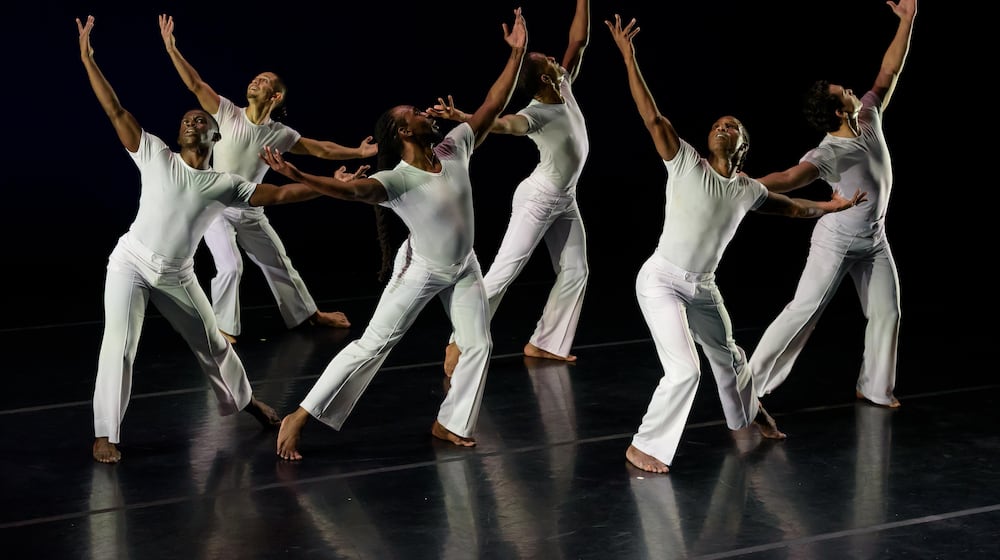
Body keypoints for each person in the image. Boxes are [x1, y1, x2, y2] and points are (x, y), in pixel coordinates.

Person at [76, 15, 366, 464]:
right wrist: (88, 59)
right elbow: (115, 109)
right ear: (180, 135)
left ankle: (248, 403)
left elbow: (283, 193)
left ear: (215, 134)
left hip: (176, 274)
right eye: (187, 120)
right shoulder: (155, 154)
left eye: (199, 120)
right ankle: (105, 433)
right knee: (120, 342)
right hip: (131, 262)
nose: (193, 120)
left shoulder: (224, 182)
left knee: (213, 345)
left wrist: (330, 182)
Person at [259, 8, 529, 461]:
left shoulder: (455, 146)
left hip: (463, 267)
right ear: (405, 131)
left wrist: (516, 55)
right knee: (373, 345)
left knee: (480, 343)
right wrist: (298, 173)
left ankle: (450, 422)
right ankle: (300, 415)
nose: (425, 111)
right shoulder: (399, 179)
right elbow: (352, 194)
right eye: (416, 113)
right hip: (420, 270)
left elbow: (492, 105)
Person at [605, 14, 867, 474]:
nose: (724, 127)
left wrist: (831, 207)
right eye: (718, 124)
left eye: (733, 126)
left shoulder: (746, 189)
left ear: (743, 146)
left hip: (703, 287)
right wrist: (629, 57)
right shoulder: (685, 162)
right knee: (686, 370)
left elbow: (790, 207)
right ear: (708, 138)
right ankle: (644, 445)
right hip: (662, 279)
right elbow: (652, 115)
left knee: (728, 355)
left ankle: (748, 413)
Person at [158, 14, 378, 344]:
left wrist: (358, 154)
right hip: (215, 206)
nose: (255, 82)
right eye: (255, 78)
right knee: (231, 266)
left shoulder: (279, 134)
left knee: (278, 261)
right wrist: (172, 49)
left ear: (275, 97)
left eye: (263, 81)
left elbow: (321, 150)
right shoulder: (228, 113)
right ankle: (223, 328)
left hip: (250, 207)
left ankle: (309, 314)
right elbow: (195, 84)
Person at [748, 0, 916, 409]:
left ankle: (875, 387)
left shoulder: (869, 117)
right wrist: (742, 185)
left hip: (874, 239)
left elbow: (888, 71)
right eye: (845, 92)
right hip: (836, 241)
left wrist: (907, 21)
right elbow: (789, 178)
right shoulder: (827, 153)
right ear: (839, 110)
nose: (854, 89)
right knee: (803, 310)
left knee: (887, 312)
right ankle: (746, 384)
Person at [431, 0, 591, 376]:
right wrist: (463, 118)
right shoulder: (535, 114)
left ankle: (545, 342)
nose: (556, 59)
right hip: (538, 200)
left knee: (575, 270)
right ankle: (459, 340)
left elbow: (579, 41)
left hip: (565, 199)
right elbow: (501, 125)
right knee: (504, 272)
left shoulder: (563, 85)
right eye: (550, 62)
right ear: (543, 80)